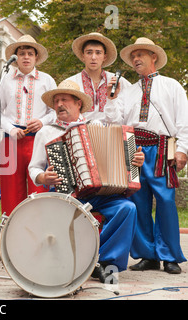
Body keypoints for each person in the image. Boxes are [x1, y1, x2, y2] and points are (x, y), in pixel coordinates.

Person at [28, 80, 144, 283]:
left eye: (64, 100)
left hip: (102, 194)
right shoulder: (46, 132)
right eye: (56, 101)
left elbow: (120, 156)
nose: (59, 104)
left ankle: (104, 262)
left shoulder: (96, 126)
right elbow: (34, 167)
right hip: (67, 196)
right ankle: (89, 261)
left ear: (78, 103)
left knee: (128, 208)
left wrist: (135, 161)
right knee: (66, 212)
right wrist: (42, 177)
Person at [105, 37, 188, 274]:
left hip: (161, 147)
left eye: (141, 54)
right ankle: (147, 254)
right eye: (133, 56)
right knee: (137, 201)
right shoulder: (128, 90)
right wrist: (111, 99)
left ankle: (169, 255)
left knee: (166, 201)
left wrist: (182, 149)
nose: (136, 59)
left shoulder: (172, 86)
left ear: (154, 57)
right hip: (134, 147)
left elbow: (183, 121)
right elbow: (115, 120)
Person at [0, 34, 56, 217]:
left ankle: (37, 236)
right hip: (10, 141)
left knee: (37, 191)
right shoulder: (5, 79)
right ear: (15, 57)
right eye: (22, 53)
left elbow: (56, 112)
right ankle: (11, 239)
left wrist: (42, 122)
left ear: (36, 57)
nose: (26, 57)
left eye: (30, 53)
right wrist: (11, 129)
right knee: (10, 193)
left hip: (38, 141)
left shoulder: (47, 80)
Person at [66, 32, 131, 123]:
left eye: (98, 53)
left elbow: (128, 116)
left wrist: (112, 98)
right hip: (80, 134)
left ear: (105, 56)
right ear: (83, 56)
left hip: (112, 134)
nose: (93, 57)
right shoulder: (70, 83)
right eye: (89, 52)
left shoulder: (119, 82)